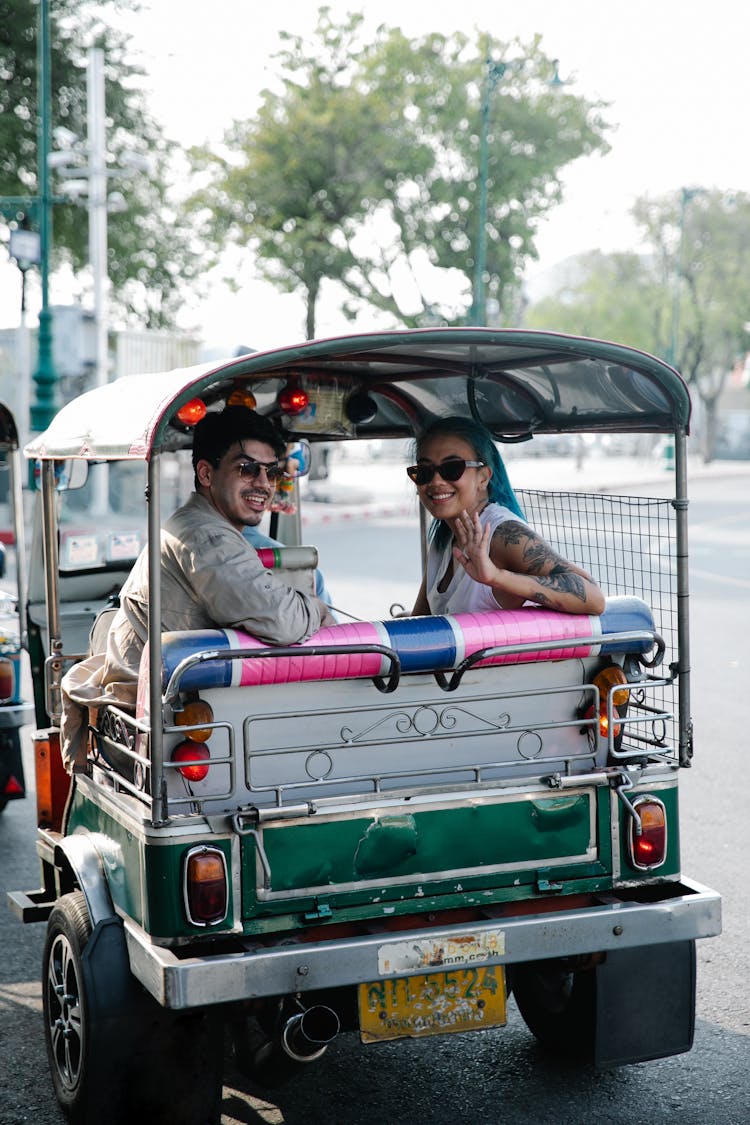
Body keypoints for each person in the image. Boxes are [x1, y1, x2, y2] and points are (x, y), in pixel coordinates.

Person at [60, 406, 335, 771]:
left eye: (271, 472)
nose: (264, 484)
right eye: (247, 469)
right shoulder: (203, 536)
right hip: (154, 731)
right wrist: (316, 608)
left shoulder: (213, 530)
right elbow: (283, 621)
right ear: (206, 473)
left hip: (179, 711)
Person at [407, 416, 605, 618]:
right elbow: (419, 620)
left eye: (452, 468)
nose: (436, 481)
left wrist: (496, 577)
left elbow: (593, 597)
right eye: (424, 471)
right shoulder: (444, 538)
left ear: (483, 477)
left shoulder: (502, 533)